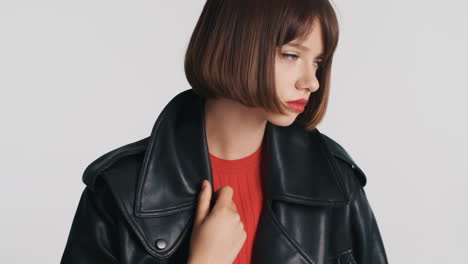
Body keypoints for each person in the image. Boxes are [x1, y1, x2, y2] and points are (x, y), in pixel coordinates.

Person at [60, 0, 389, 263]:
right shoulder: (119, 190)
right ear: (235, 46)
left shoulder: (335, 181)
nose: (311, 81)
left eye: (317, 62)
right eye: (291, 55)